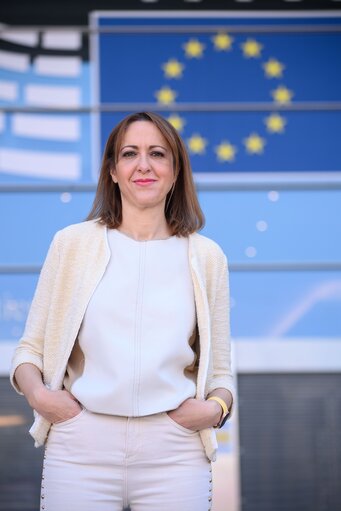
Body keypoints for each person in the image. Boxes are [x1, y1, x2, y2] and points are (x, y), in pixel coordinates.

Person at [10, 111, 235, 511]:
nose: (143, 165)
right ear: (112, 170)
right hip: (81, 446)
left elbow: (219, 371)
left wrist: (215, 409)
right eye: (130, 154)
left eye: (157, 154)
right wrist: (41, 397)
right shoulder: (72, 245)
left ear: (175, 169)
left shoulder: (207, 257)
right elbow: (30, 351)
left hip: (175, 451)